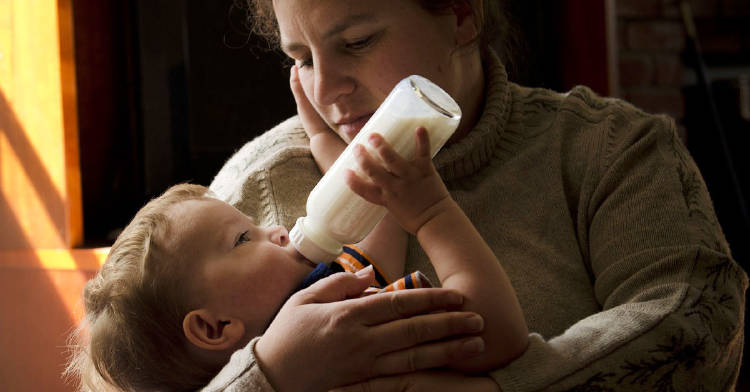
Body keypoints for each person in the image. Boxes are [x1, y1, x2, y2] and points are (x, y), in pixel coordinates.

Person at [207, 0, 749, 390]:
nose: (326, 91)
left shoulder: (612, 150)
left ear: (462, 15)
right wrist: (269, 374)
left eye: (357, 42)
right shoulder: (256, 185)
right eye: (300, 58)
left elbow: (696, 333)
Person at [66, 128, 531, 391]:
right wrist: (433, 213)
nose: (277, 228)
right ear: (214, 328)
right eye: (243, 238)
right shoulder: (339, 336)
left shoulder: (319, 288)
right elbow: (495, 333)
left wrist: (333, 142)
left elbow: (377, 226)